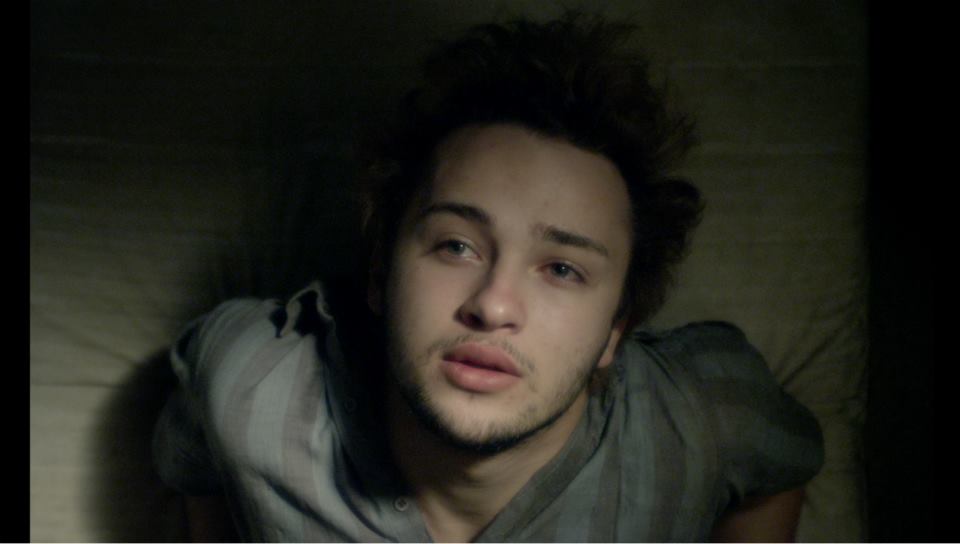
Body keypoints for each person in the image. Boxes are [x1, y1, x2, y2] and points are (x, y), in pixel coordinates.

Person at [153, 11, 824, 542]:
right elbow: (194, 451)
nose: (495, 305)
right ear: (381, 272)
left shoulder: (702, 418)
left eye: (562, 269)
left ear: (616, 330)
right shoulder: (252, 384)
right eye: (456, 246)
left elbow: (780, 461)